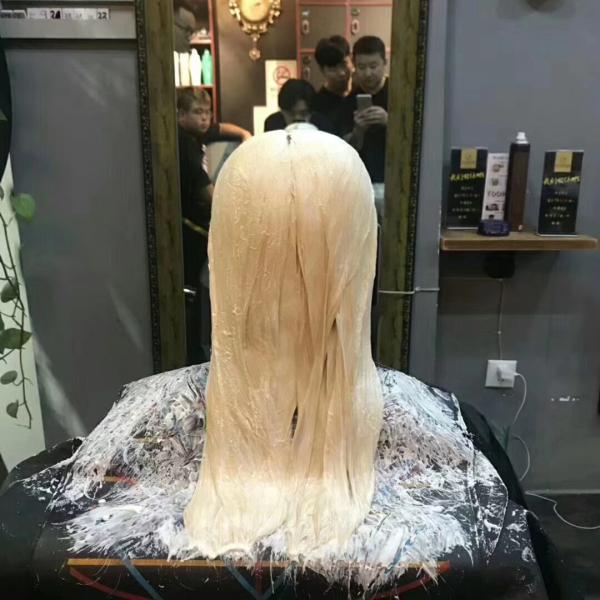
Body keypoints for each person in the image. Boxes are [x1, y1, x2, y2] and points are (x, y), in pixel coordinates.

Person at [334, 35, 389, 182]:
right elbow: (346, 150)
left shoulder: (398, 95)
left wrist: (388, 121)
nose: (368, 73)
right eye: (362, 67)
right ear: (354, 66)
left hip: (393, 174)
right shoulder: (348, 102)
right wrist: (358, 130)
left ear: (385, 63)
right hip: (361, 177)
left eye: (373, 66)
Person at [264, 79, 334, 133]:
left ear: (312, 112)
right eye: (291, 113)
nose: (297, 118)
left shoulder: (323, 127)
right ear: (282, 111)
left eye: (303, 113)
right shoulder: (273, 125)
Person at [312, 35, 352, 120]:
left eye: (344, 64)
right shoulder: (317, 106)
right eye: (333, 69)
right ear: (322, 70)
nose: (341, 73)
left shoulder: (361, 92)